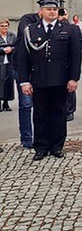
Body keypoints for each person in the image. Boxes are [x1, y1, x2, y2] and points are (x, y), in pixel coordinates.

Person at [17, 0, 82, 161]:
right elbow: (22, 57)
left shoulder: (70, 30)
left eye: (55, 9)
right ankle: (41, 147)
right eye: (49, 9)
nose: (52, 11)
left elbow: (75, 56)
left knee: (59, 113)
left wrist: (74, 78)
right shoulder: (30, 30)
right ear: (41, 12)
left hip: (61, 80)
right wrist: (24, 81)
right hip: (39, 79)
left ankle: (57, 146)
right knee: (40, 114)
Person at [12, 11, 40, 149]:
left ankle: (40, 137)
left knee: (41, 105)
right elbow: (28, 34)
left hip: (39, 70)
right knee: (26, 105)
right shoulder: (27, 19)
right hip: (23, 69)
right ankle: (27, 139)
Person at [0, 18, 16, 112]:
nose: (4, 28)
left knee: (9, 83)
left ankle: (6, 102)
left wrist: (11, 49)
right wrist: (3, 50)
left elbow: (17, 46)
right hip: (0, 61)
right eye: (2, 26)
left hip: (9, 62)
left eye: (6, 26)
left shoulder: (12, 35)